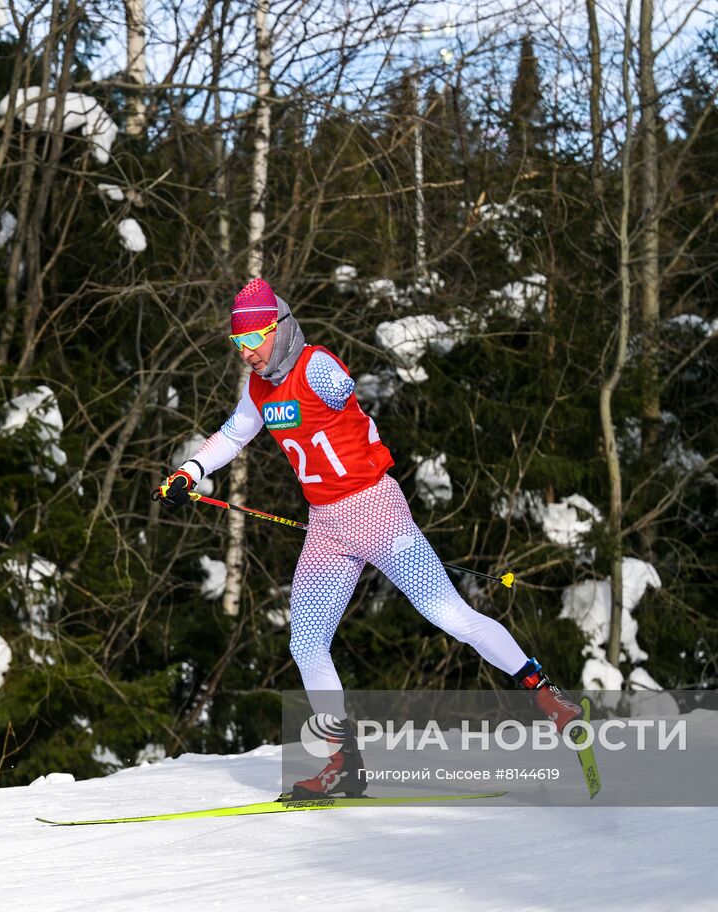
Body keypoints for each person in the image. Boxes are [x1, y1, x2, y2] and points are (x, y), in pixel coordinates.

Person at [154, 278, 581, 799]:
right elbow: (234, 434)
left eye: (254, 342)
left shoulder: (314, 364)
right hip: (328, 528)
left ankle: (544, 692)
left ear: (279, 330)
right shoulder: (259, 388)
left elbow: (338, 383)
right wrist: (190, 470)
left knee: (449, 615)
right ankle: (344, 763)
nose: (247, 355)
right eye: (238, 346)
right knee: (307, 642)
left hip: (376, 511)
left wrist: (338, 385)